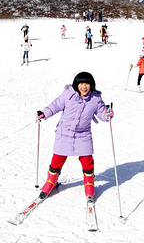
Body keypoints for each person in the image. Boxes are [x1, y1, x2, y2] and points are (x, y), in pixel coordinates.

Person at [35, 72, 114, 203]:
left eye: (87, 84)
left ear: (91, 85)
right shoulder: (69, 94)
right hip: (64, 132)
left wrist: (107, 114)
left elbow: (101, 113)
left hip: (83, 135)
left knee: (87, 159)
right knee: (57, 159)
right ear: (76, 84)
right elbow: (56, 105)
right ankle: (51, 182)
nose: (84, 87)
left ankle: (89, 186)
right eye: (81, 83)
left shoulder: (95, 99)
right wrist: (44, 113)